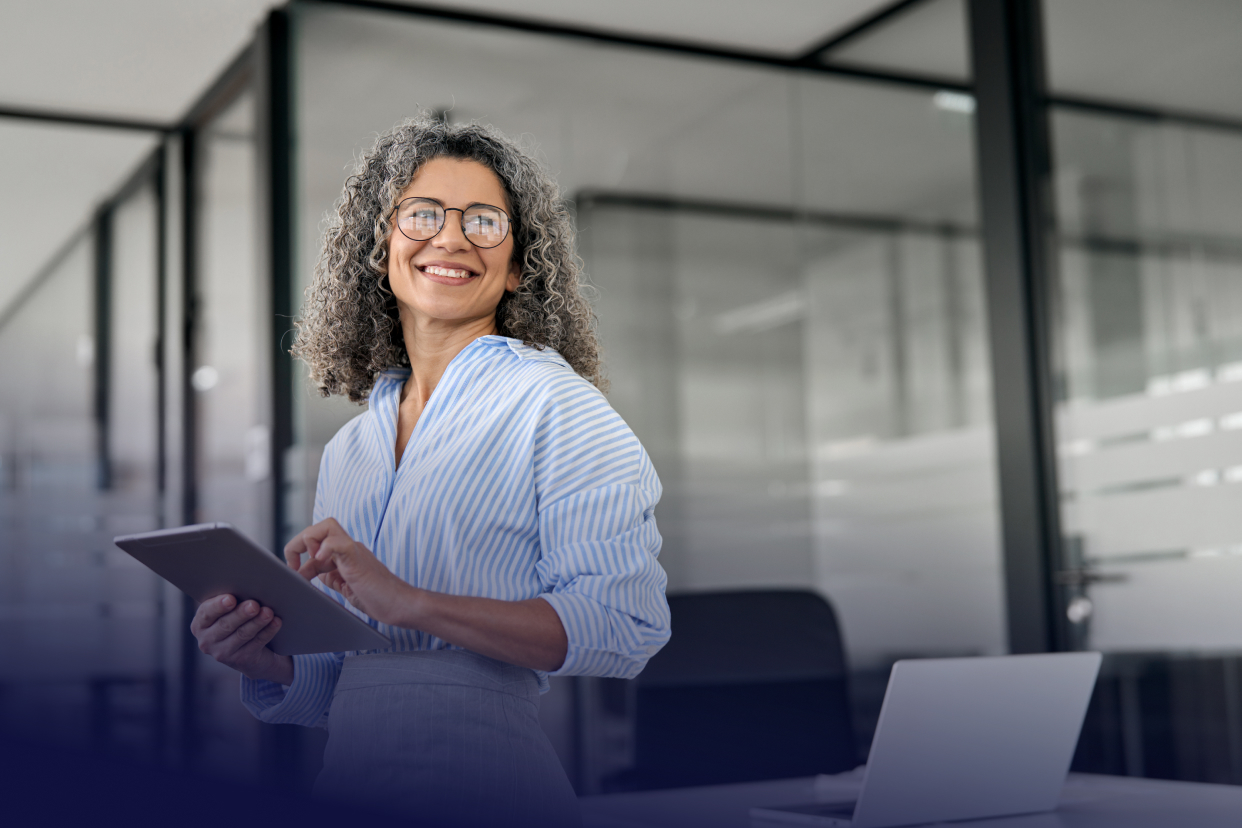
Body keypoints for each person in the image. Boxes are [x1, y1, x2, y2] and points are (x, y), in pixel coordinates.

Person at [188, 116, 671, 826]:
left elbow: (624, 624)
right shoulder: (352, 448)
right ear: (380, 246)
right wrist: (270, 660)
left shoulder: (554, 404)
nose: (450, 238)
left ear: (517, 266)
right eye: (423, 214)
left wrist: (411, 602)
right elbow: (356, 679)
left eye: (484, 221)